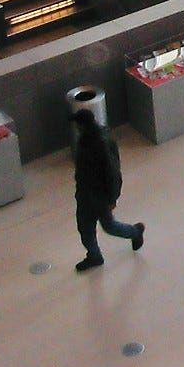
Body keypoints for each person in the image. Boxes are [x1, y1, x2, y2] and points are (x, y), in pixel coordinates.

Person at [70, 109, 145, 272]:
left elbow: (112, 173)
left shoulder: (101, 143)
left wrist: (112, 198)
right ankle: (94, 255)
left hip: (99, 196)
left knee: (109, 226)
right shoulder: (86, 139)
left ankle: (135, 232)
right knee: (85, 227)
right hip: (85, 194)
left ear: (82, 125)